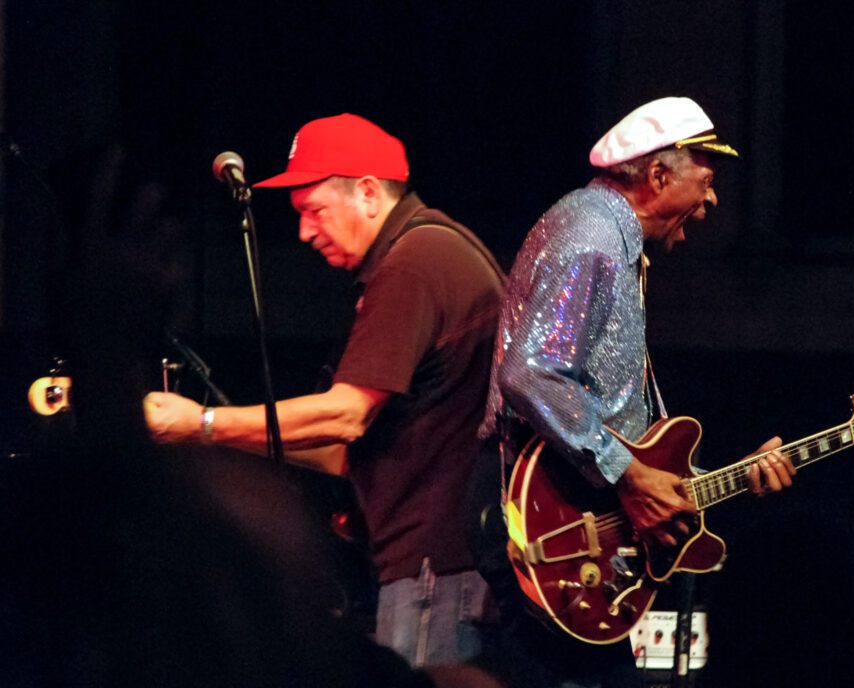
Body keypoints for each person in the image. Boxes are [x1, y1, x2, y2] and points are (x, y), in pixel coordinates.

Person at [144, 113, 506, 668]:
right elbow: (343, 451)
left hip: (440, 569)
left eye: (313, 211)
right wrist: (208, 432)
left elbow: (345, 417)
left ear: (366, 192)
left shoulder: (414, 264)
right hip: (439, 565)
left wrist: (202, 423)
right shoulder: (429, 249)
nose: (304, 232)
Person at [476, 97, 797, 688]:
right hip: (549, 522)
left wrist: (713, 477)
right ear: (657, 176)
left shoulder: (605, 235)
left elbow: (608, 408)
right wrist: (628, 473)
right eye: (705, 182)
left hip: (573, 513)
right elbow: (530, 372)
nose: (712, 202)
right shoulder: (593, 236)